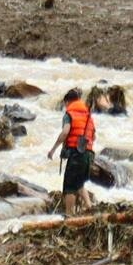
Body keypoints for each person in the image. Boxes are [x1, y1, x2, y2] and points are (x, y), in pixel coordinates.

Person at [45, 87, 96, 215]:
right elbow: (93, 136)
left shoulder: (69, 115)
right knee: (78, 183)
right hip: (88, 154)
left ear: (67, 102)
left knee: (69, 188)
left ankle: (69, 216)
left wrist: (53, 149)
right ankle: (90, 208)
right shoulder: (88, 115)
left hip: (76, 154)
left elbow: (65, 132)